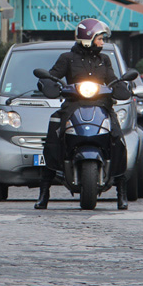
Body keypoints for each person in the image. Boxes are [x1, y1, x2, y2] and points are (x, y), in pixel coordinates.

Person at [35, 18, 131, 210]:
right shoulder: (67, 58)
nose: (102, 42)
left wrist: (122, 86)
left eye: (103, 39)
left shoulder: (104, 59)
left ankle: (121, 191)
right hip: (73, 104)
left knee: (118, 138)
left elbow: (111, 78)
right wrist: (48, 84)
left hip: (102, 105)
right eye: (99, 38)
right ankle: (44, 193)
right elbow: (54, 74)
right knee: (53, 136)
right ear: (88, 38)